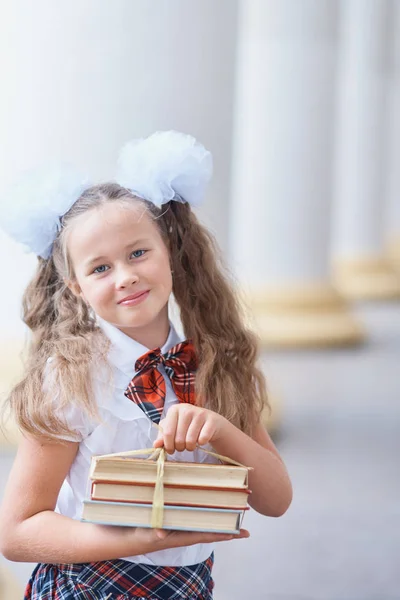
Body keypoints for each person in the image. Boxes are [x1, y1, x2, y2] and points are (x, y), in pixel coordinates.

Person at [0, 131, 292, 600]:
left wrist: (218, 428)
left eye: (138, 252)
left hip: (187, 586)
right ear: (76, 287)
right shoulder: (71, 378)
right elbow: (16, 533)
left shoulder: (211, 363)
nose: (126, 276)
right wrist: (136, 538)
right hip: (88, 584)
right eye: (100, 268)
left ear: (170, 254)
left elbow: (276, 500)